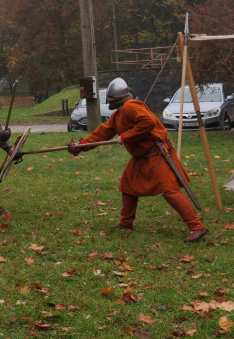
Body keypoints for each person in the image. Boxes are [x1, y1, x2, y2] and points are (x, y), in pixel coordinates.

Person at [67, 78, 208, 243]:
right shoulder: (118, 115)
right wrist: (81, 145)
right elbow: (102, 133)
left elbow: (148, 121)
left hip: (157, 154)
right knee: (128, 187)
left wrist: (126, 136)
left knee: (169, 190)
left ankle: (197, 227)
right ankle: (126, 223)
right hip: (141, 158)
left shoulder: (131, 106)